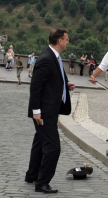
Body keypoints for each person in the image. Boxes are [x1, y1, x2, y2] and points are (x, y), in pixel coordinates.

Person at [25, 28, 75, 193]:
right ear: (60, 41)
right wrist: (36, 111)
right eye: (67, 39)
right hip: (44, 111)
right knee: (53, 147)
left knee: (39, 143)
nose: (68, 42)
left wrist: (65, 86)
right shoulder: (47, 58)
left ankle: (32, 175)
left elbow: (53, 79)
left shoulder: (55, 57)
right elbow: (36, 87)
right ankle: (42, 183)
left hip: (51, 109)